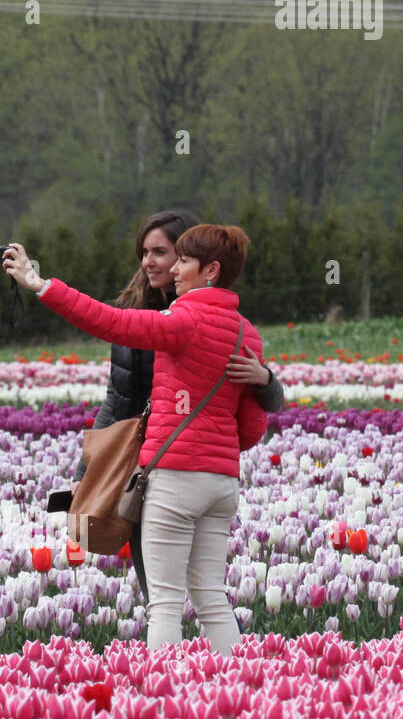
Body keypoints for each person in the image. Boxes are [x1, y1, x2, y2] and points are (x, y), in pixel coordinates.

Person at [4, 225, 269, 657]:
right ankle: (238, 692)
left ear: (211, 271)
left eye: (184, 261)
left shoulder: (183, 320)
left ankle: (162, 700)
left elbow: (108, 321)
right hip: (222, 484)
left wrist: (39, 284)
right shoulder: (247, 335)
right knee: (211, 598)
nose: (174, 269)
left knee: (164, 603)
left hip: (176, 480)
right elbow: (253, 429)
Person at [69, 210, 282, 612]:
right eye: (144, 252)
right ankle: (196, 669)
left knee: (189, 597)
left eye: (163, 253)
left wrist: (265, 379)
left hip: (179, 466)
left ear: (195, 259)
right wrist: (85, 473)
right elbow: (116, 401)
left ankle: (185, 670)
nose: (150, 261)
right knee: (168, 590)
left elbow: (259, 407)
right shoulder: (135, 316)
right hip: (140, 467)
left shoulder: (212, 319)